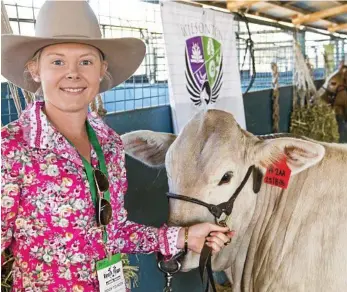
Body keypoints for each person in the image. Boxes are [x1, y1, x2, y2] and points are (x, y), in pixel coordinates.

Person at [1, 1, 234, 291]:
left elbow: (115, 231)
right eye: (57, 61)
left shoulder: (108, 144)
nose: (73, 73)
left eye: (85, 61)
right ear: (35, 70)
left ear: (102, 69)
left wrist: (185, 237)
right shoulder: (10, 148)